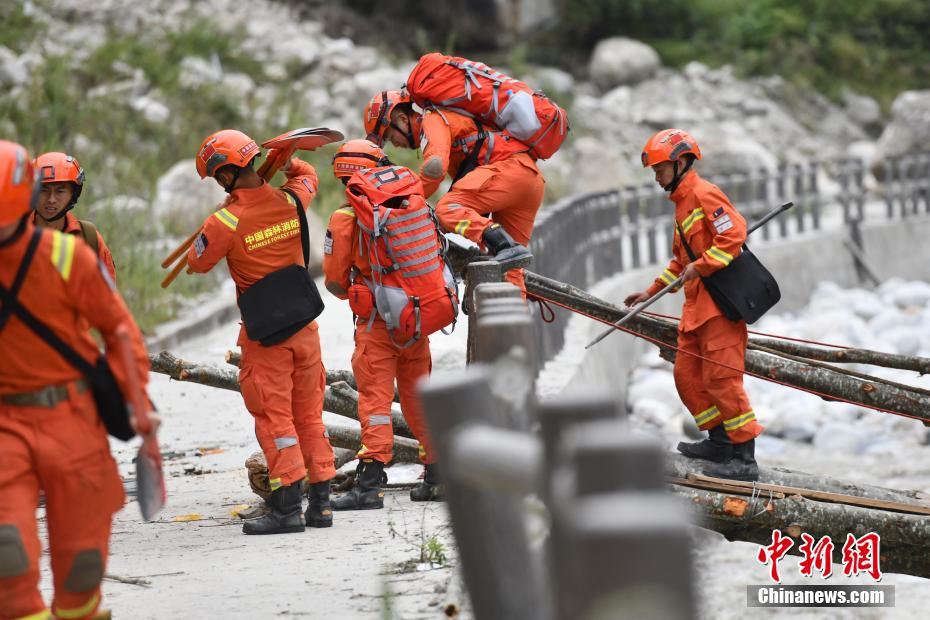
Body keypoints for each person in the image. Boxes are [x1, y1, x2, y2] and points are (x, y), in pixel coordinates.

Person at [0, 140, 150, 620]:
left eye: (60, 192)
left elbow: (119, 327)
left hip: (73, 416)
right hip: (6, 422)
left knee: (82, 566)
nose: (50, 200)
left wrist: (137, 400)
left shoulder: (75, 250)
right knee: (8, 554)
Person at [187, 129, 336, 534]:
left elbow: (196, 263)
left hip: (266, 336)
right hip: (305, 328)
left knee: (275, 419)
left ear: (223, 175)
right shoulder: (291, 200)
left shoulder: (224, 221)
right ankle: (321, 504)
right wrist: (290, 162)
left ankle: (286, 508)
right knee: (309, 416)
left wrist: (218, 220)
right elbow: (308, 177)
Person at [624, 128, 763, 481]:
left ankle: (744, 458)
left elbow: (733, 235)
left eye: (660, 170)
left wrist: (702, 266)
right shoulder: (683, 204)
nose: (657, 178)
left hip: (719, 309)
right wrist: (650, 291)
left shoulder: (704, 194)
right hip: (696, 310)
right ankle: (719, 442)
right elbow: (680, 261)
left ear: (681, 162)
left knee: (723, 381)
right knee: (687, 376)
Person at [323, 139, 443, 508]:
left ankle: (369, 484)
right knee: (419, 398)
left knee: (375, 403)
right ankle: (438, 475)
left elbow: (334, 282)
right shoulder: (411, 207)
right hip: (415, 317)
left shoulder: (345, 219)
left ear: (346, 179)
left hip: (377, 324)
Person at [363, 89, 543, 295]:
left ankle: (503, 244)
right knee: (510, 269)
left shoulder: (432, 119)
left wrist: (401, 203)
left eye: (389, 135)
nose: (394, 144)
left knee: (447, 209)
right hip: (530, 179)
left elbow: (434, 168)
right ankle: (514, 308)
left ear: (403, 119)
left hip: (509, 171)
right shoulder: (446, 118)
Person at [33, 151, 117, 281]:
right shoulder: (11, 233)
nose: (51, 199)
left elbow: (107, 290)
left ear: (73, 194)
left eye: (60, 191)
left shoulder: (89, 238)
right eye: (43, 190)